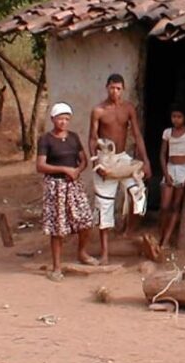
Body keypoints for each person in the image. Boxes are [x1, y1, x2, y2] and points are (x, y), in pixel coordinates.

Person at [89, 73, 152, 263]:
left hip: (123, 157)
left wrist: (146, 161)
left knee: (138, 193)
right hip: (105, 158)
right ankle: (105, 253)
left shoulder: (128, 109)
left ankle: (129, 231)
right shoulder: (98, 110)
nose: (115, 92)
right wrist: (95, 163)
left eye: (118, 88)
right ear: (106, 87)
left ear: (123, 89)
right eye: (111, 88)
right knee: (104, 205)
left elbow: (138, 135)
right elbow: (92, 138)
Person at [37, 102, 97, 281]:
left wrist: (77, 171)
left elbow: (83, 160)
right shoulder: (46, 139)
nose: (63, 122)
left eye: (66, 119)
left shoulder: (73, 137)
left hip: (73, 184)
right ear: (52, 119)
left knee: (85, 220)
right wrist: (64, 169)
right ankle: (56, 267)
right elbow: (40, 165)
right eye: (60, 119)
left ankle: (82, 253)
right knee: (58, 227)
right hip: (55, 187)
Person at [158, 105, 185, 248]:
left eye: (179, 117)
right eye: (173, 116)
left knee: (175, 206)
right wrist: (166, 173)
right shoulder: (167, 132)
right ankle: (161, 235)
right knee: (164, 206)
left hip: (184, 170)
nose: (175, 120)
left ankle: (166, 240)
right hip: (170, 168)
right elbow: (162, 154)